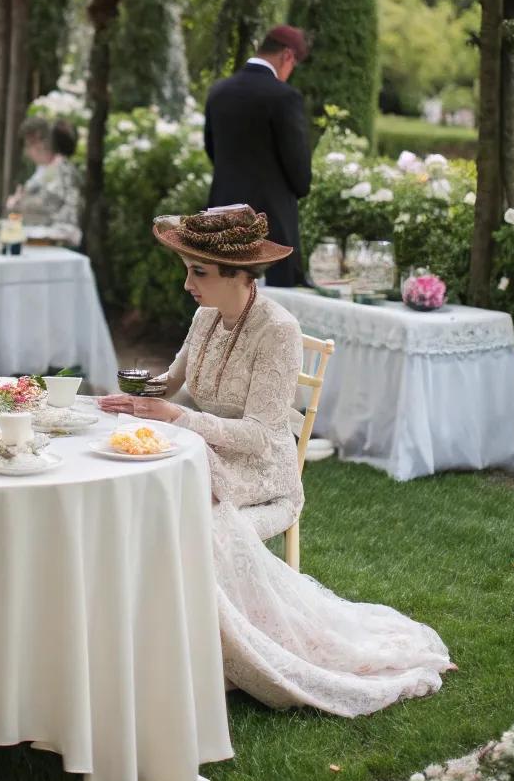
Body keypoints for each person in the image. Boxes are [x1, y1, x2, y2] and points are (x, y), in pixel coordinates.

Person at [99, 205, 451, 716]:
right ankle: (158, 639)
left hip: (264, 473)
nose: (187, 285)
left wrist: (176, 418)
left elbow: (263, 437)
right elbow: (171, 383)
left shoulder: (278, 330)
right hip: (212, 452)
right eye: (187, 269)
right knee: (150, 493)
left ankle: (221, 651)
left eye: (199, 272)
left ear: (240, 276)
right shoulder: (205, 317)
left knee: (185, 512)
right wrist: (134, 394)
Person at [203, 25, 312, 288]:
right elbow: (299, 173)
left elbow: (212, 149)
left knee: (221, 309)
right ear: (287, 56)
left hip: (221, 223)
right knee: (270, 316)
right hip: (270, 231)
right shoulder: (284, 97)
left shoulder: (219, 92)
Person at [6, 117, 83, 246]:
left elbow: (48, 204)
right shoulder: (45, 168)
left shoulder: (60, 168)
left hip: (59, 240)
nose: (27, 152)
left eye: (28, 145)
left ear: (40, 143)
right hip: (42, 237)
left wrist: (18, 202)